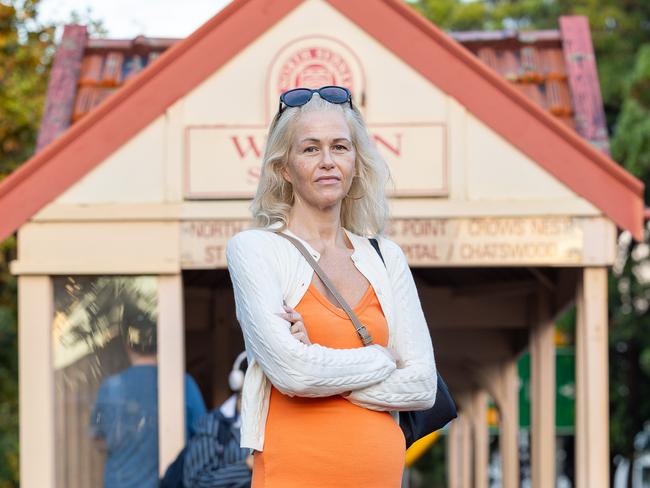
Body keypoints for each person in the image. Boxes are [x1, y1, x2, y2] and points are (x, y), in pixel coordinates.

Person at [226, 86, 437, 487]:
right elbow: (293, 374)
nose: (327, 161)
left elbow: (423, 386)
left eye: (340, 147)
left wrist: (320, 366)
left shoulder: (385, 257)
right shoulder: (254, 249)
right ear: (284, 168)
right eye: (310, 149)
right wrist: (379, 358)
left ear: (356, 163)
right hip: (292, 474)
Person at [90, 303, 207, 488]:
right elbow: (204, 439)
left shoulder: (111, 387)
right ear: (160, 343)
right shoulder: (183, 383)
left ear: (127, 345)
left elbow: (98, 440)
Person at [182, 351, 253, 488]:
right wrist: (247, 466)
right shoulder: (212, 425)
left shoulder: (275, 425)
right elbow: (194, 480)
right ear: (238, 383)